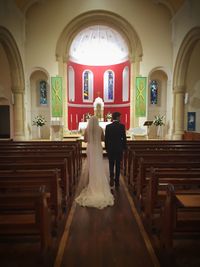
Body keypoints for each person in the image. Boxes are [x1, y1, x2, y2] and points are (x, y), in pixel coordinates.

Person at [75, 116, 114, 209]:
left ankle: (92, 183)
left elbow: (85, 140)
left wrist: (91, 139)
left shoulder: (87, 129)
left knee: (91, 166)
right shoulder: (100, 129)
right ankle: (99, 184)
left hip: (91, 148)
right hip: (98, 148)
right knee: (98, 165)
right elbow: (103, 139)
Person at [105, 112, 127, 188]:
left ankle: (111, 176)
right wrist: (124, 148)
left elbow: (106, 139)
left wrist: (106, 148)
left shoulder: (108, 127)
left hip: (111, 148)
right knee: (118, 165)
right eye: (120, 117)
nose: (120, 118)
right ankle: (117, 181)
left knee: (111, 164)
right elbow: (124, 138)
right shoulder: (122, 126)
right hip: (119, 148)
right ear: (117, 117)